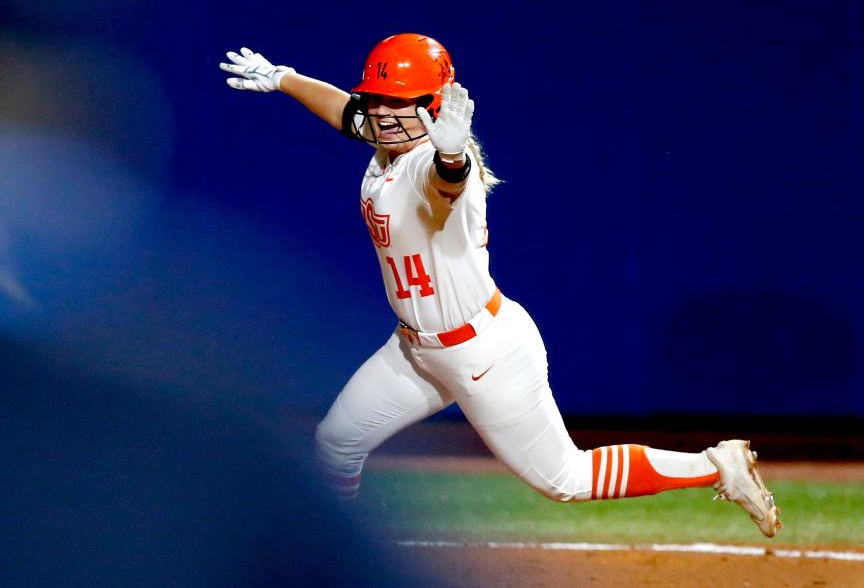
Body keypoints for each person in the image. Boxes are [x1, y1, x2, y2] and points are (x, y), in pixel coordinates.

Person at [218, 34, 781, 537]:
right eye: (379, 97)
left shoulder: (427, 162)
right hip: (414, 351)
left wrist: (451, 154)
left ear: (434, 107)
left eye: (400, 100)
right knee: (335, 445)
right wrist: (287, 79)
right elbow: (351, 115)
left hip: (481, 351)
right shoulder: (389, 136)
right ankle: (324, 566)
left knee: (566, 478)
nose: (385, 112)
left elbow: (446, 184)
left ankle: (716, 464)